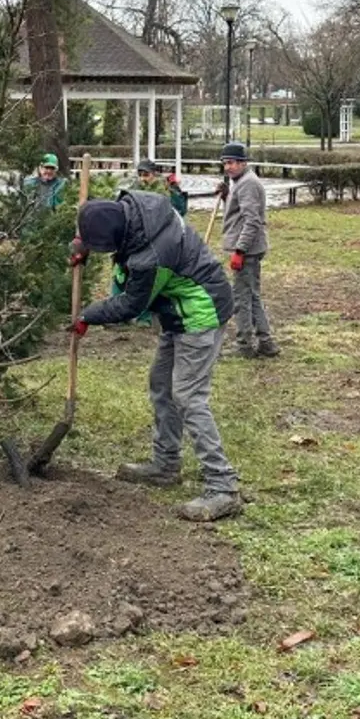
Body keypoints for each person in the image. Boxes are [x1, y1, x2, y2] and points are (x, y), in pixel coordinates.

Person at [68, 191, 243, 522]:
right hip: (178, 312)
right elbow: (95, 220)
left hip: (199, 312)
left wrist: (87, 315)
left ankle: (224, 487)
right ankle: (166, 465)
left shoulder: (150, 254)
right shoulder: (135, 210)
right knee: (161, 385)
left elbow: (131, 305)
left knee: (189, 397)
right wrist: (83, 243)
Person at [219, 142, 279, 359]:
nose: (228, 167)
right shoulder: (241, 182)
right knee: (252, 295)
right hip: (250, 248)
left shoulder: (247, 184)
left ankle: (244, 345)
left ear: (243, 163)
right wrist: (227, 196)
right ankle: (266, 342)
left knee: (242, 298)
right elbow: (239, 212)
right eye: (225, 163)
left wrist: (240, 250)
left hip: (248, 250)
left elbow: (252, 221)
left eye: (232, 163)